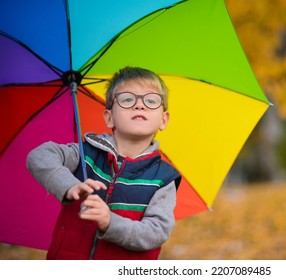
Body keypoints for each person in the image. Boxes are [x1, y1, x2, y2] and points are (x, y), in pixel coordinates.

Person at [26, 66, 181, 260]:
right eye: (127, 99)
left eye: (151, 100)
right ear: (109, 117)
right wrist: (70, 185)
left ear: (163, 120)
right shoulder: (86, 154)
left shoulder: (162, 179)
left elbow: (155, 232)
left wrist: (110, 222)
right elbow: (39, 156)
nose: (139, 105)